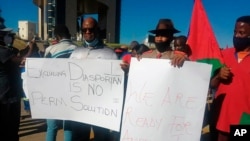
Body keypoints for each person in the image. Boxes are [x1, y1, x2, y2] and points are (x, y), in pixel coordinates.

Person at [70, 17, 118, 141]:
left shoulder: (110, 54)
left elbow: (116, 82)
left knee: (101, 138)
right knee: (79, 138)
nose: (87, 32)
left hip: (101, 108)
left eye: (90, 29)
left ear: (97, 30)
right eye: (84, 29)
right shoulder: (75, 53)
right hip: (79, 107)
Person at [210, 15, 250, 141]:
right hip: (220, 120)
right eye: (235, 32)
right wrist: (218, 75)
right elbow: (211, 85)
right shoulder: (222, 55)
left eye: (241, 33)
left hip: (244, 122)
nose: (236, 36)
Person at [44, 24, 77, 141]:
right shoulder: (78, 49)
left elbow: (43, 72)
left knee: (52, 127)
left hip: (52, 94)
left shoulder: (50, 50)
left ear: (57, 36)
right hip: (72, 93)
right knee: (68, 126)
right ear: (68, 34)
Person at [0, 17, 23, 141]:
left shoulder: (7, 50)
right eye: (6, 34)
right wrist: (30, 47)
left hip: (9, 95)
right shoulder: (3, 52)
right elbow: (20, 61)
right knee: (10, 130)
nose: (9, 37)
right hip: (7, 97)